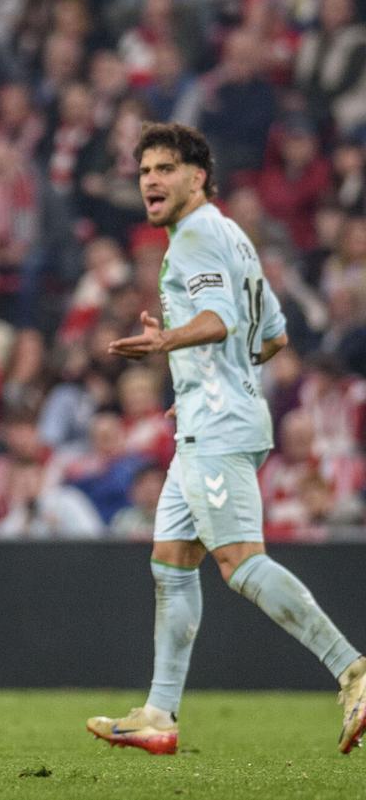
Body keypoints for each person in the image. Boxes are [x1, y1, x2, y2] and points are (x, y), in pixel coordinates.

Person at [87, 123, 366, 755]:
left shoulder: (195, 238)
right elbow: (272, 337)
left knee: (240, 563)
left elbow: (222, 321)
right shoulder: (235, 238)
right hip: (208, 419)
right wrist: (198, 378)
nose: (151, 180)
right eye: (144, 171)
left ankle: (353, 669)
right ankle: (159, 714)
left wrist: (168, 343)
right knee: (171, 563)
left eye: (165, 169)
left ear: (198, 177)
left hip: (217, 427)